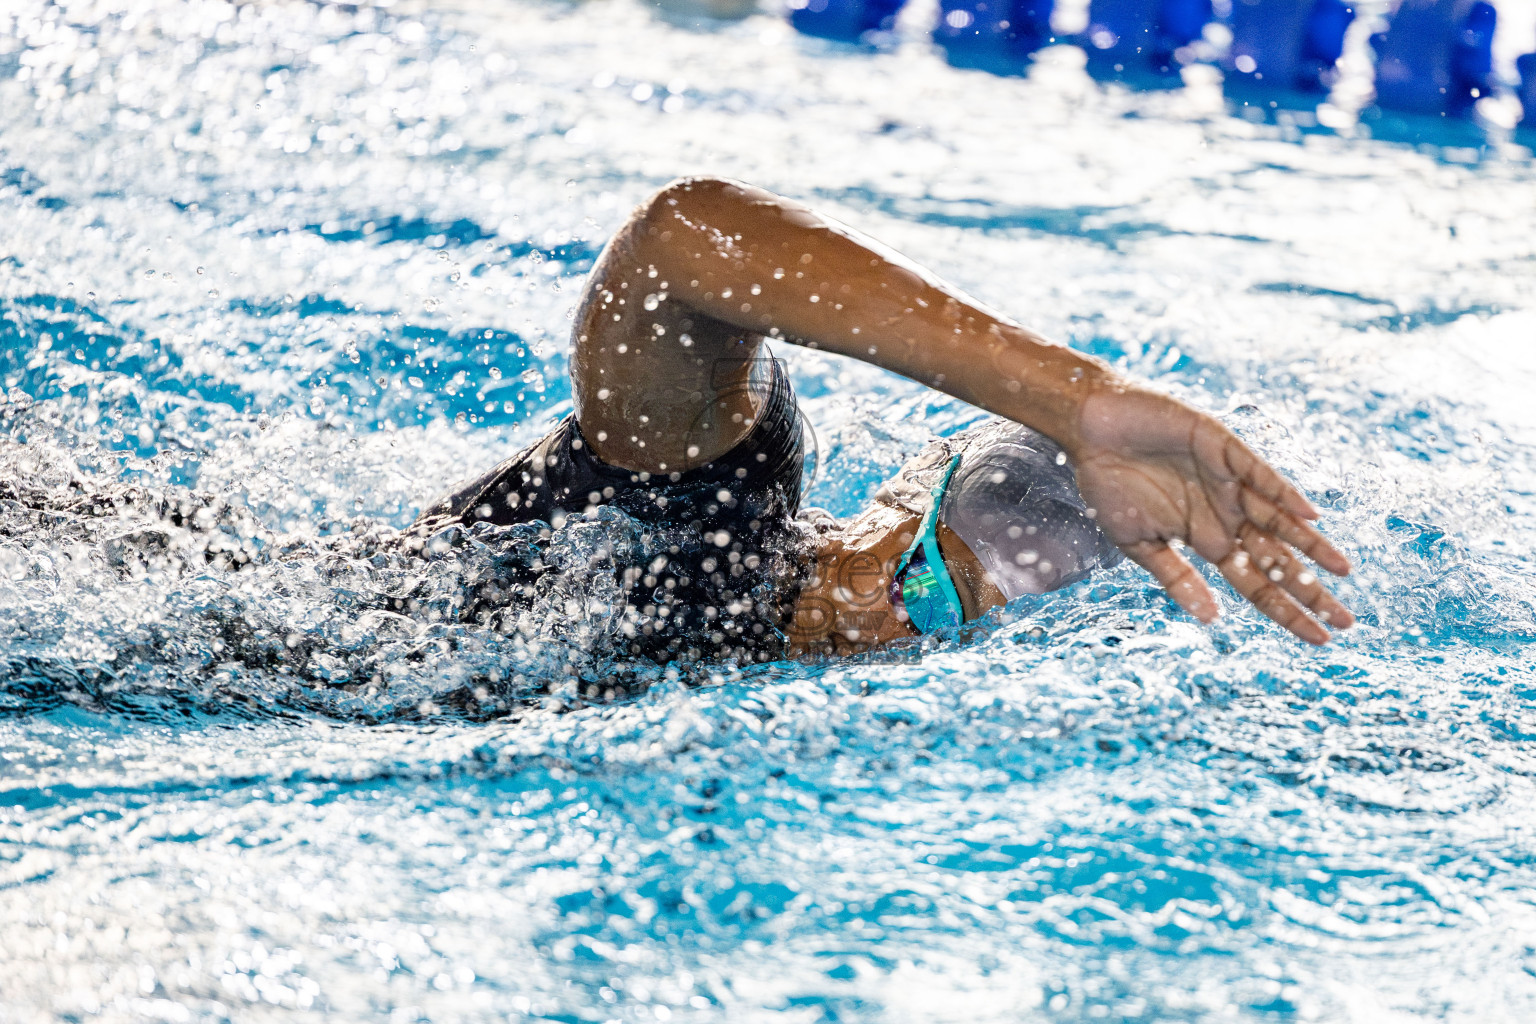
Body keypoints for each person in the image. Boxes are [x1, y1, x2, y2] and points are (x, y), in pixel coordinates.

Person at [408, 176, 1353, 662]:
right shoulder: (707, 508)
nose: (894, 621)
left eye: (949, 620)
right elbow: (676, 240)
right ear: (906, 489)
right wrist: (1076, 401)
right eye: (926, 578)